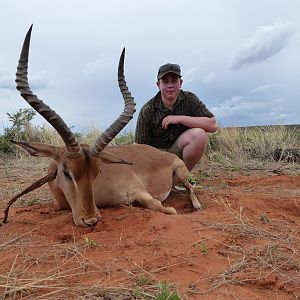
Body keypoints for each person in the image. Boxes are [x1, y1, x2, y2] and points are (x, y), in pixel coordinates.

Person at [135, 63, 218, 172]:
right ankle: (160, 180)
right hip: (156, 157)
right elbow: (139, 147)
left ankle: (178, 179)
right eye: (165, 81)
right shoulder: (147, 109)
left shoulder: (190, 99)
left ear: (181, 83)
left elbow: (213, 125)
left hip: (178, 152)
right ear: (158, 85)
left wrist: (179, 118)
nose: (170, 85)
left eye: (174, 81)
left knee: (199, 135)